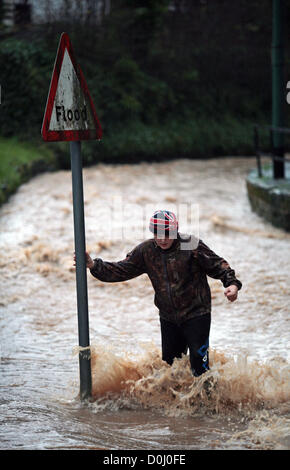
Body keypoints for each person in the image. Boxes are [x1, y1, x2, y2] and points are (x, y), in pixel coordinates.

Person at [80, 210, 242, 378]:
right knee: (171, 368)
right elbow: (121, 270)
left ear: (175, 231)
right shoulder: (146, 250)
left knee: (199, 367)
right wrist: (93, 265)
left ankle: (208, 402)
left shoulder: (190, 244)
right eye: (158, 234)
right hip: (168, 317)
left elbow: (218, 265)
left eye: (167, 234)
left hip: (197, 314)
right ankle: (175, 402)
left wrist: (232, 284)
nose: (163, 239)